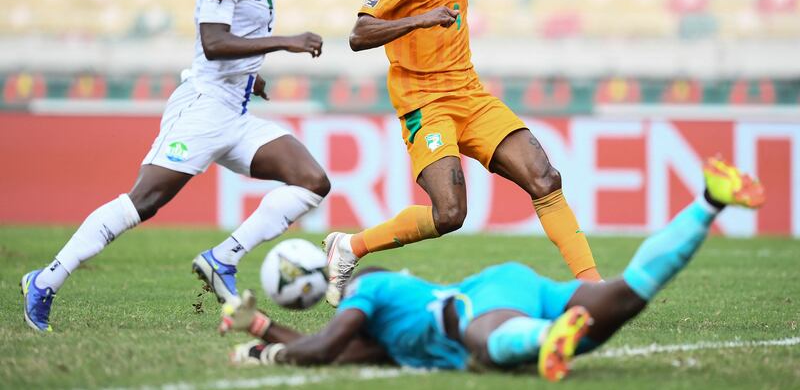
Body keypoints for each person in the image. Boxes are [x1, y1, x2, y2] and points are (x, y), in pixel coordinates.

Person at [20, 0, 330, 332]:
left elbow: (231, 45)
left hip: (235, 113)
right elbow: (214, 41)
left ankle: (222, 259)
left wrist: (251, 74)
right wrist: (286, 41)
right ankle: (45, 282)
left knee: (311, 180)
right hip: (202, 110)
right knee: (144, 201)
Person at [219, 158, 765, 381]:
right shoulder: (385, 337)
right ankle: (709, 203)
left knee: (483, 342)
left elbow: (320, 348)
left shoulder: (371, 289)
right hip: (516, 289)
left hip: (484, 304)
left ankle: (548, 335)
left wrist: (262, 353)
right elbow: (334, 353)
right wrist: (261, 327)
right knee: (626, 296)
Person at [323, 0, 601, 307]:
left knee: (546, 178)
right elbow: (359, 34)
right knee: (450, 214)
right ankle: (350, 247)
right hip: (425, 106)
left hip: (470, 96)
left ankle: (594, 288)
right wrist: (419, 20)